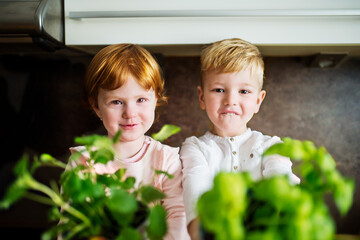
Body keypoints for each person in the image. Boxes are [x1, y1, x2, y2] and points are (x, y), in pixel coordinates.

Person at [180, 38, 300, 240]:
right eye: (219, 90)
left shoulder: (272, 147)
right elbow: (195, 195)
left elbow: (283, 187)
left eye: (244, 91)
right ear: (201, 97)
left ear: (258, 101)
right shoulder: (194, 148)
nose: (230, 101)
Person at [70, 43, 190, 240]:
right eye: (116, 102)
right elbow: (71, 224)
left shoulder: (166, 159)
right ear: (97, 107)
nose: (130, 113)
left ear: (156, 99)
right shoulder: (84, 161)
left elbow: (178, 217)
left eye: (141, 100)